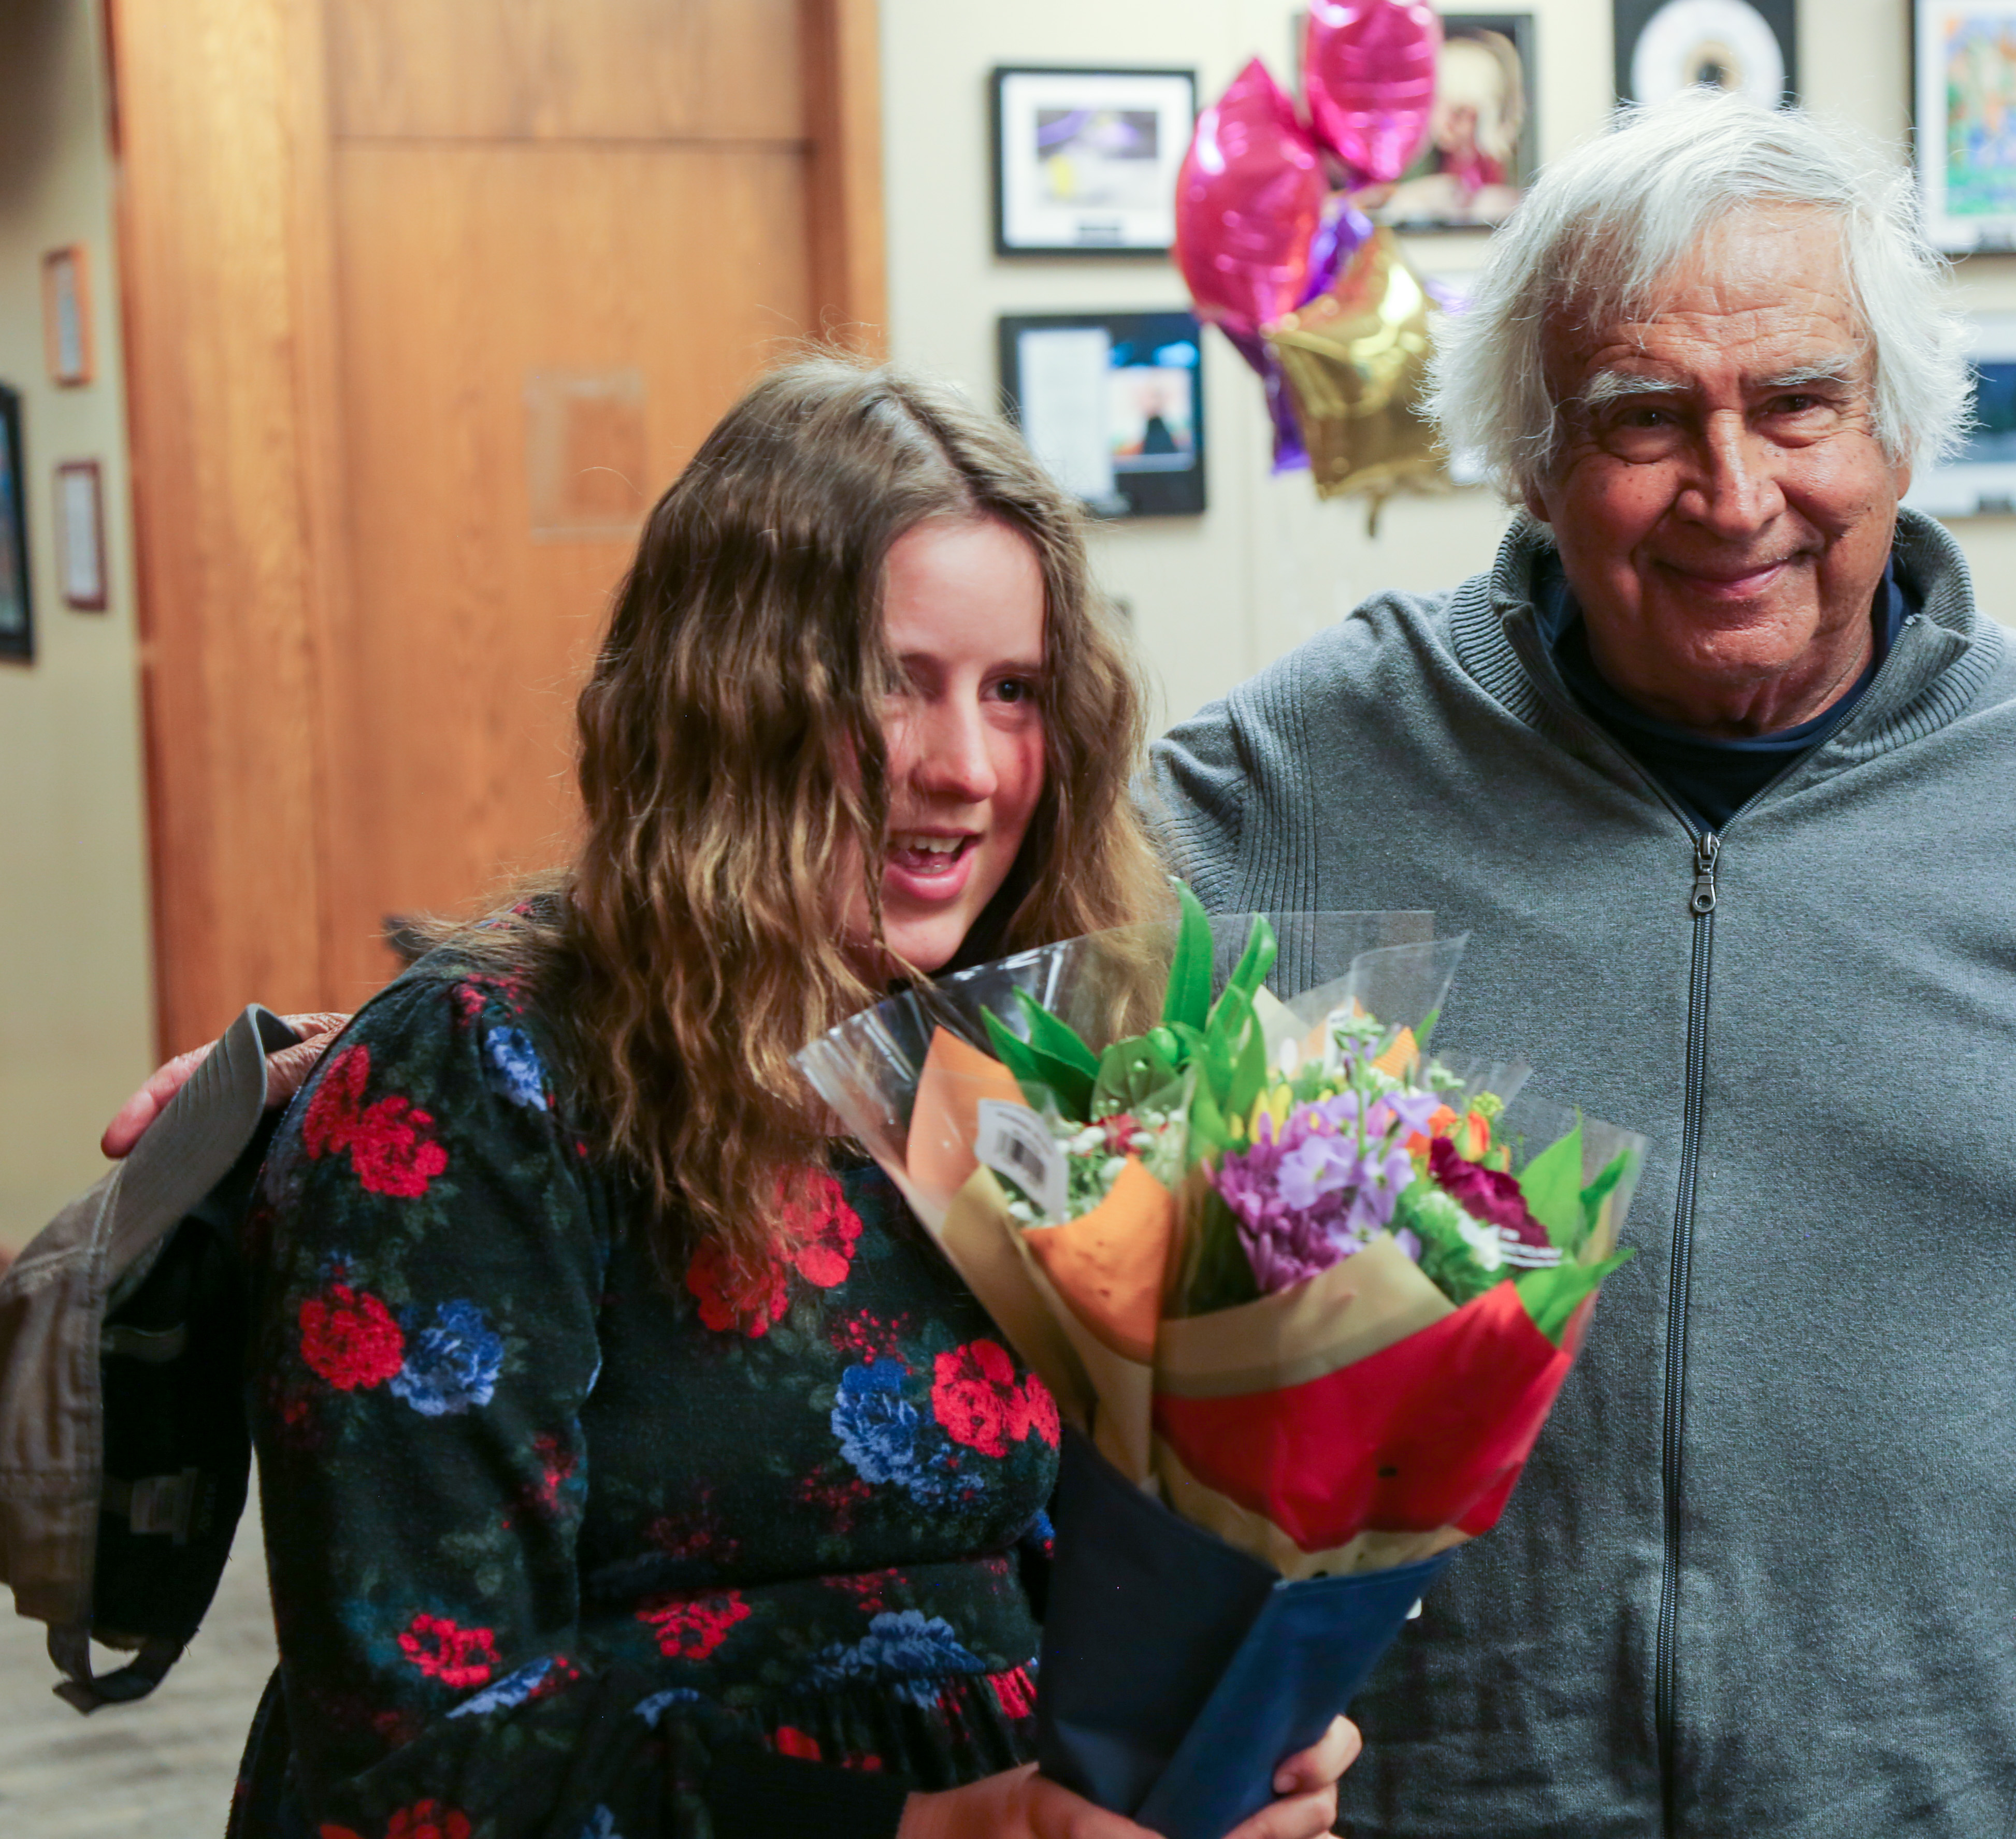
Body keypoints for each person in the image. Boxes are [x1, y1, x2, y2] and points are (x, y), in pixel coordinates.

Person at [1148, 96, 2016, 1836]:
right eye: (1640, 420)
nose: (1733, 497)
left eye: (1796, 403)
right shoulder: (1302, 776)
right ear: (1526, 459)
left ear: (1894, 427)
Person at [210, 359, 1354, 1839]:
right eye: (894, 683)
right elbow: (415, 1766)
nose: (963, 768)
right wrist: (944, 1826)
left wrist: (1213, 1737)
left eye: (1013, 693)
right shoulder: (480, 1083)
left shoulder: (1034, 1066)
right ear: (726, 697)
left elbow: (1078, 1563)